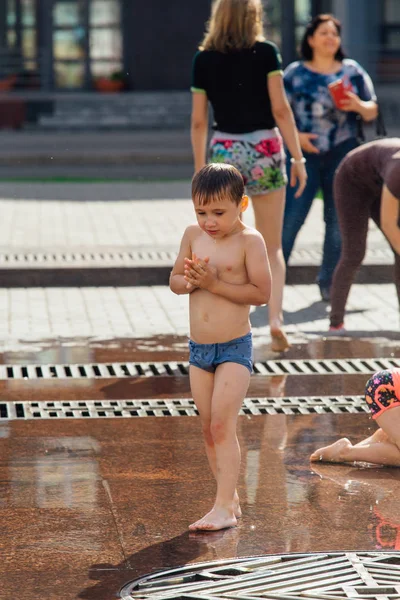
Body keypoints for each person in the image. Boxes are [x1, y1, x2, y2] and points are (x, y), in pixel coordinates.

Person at [190, 0, 307, 353]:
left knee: (225, 241)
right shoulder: (267, 53)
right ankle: (274, 319)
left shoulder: (203, 59)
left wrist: (200, 171)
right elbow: (281, 109)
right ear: (253, 16)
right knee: (271, 245)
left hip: (225, 151)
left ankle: (231, 321)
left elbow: (198, 121)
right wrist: (297, 156)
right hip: (266, 150)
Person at [169, 163, 271, 531]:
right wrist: (191, 281)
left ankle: (223, 507)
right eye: (201, 211)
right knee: (208, 429)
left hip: (233, 348)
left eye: (218, 212)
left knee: (222, 424)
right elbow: (175, 281)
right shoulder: (193, 235)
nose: (208, 221)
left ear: (242, 204)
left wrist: (213, 283)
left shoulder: (250, 241)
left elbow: (262, 293)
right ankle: (230, 498)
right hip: (199, 351)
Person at [282, 13, 378, 302]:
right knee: (291, 217)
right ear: (310, 39)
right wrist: (296, 138)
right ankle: (273, 278)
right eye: (324, 33)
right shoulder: (294, 73)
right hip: (303, 154)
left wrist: (358, 105)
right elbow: (278, 112)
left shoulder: (351, 71)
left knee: (337, 220)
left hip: (342, 153)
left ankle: (328, 282)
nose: (330, 38)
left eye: (334, 34)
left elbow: (372, 110)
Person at [330, 138, 400, 331]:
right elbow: (389, 224)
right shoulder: (398, 173)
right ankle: (336, 323)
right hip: (352, 179)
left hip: (380, 181)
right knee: (354, 252)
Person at [310, 368, 400, 466]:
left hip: (388, 381)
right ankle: (344, 452)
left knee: (394, 431)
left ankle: (367, 445)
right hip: (387, 388)